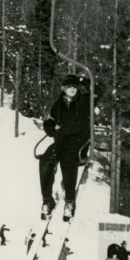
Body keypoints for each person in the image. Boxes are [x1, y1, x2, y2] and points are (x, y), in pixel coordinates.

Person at [39, 74, 90, 222]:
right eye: (69, 87)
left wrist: (85, 81)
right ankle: (47, 200)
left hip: (78, 142)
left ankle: (69, 201)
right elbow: (50, 121)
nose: (72, 89)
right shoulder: (58, 105)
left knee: (68, 160)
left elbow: (97, 91)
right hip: (61, 141)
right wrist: (50, 128)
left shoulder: (84, 102)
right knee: (46, 159)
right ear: (63, 89)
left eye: (74, 86)